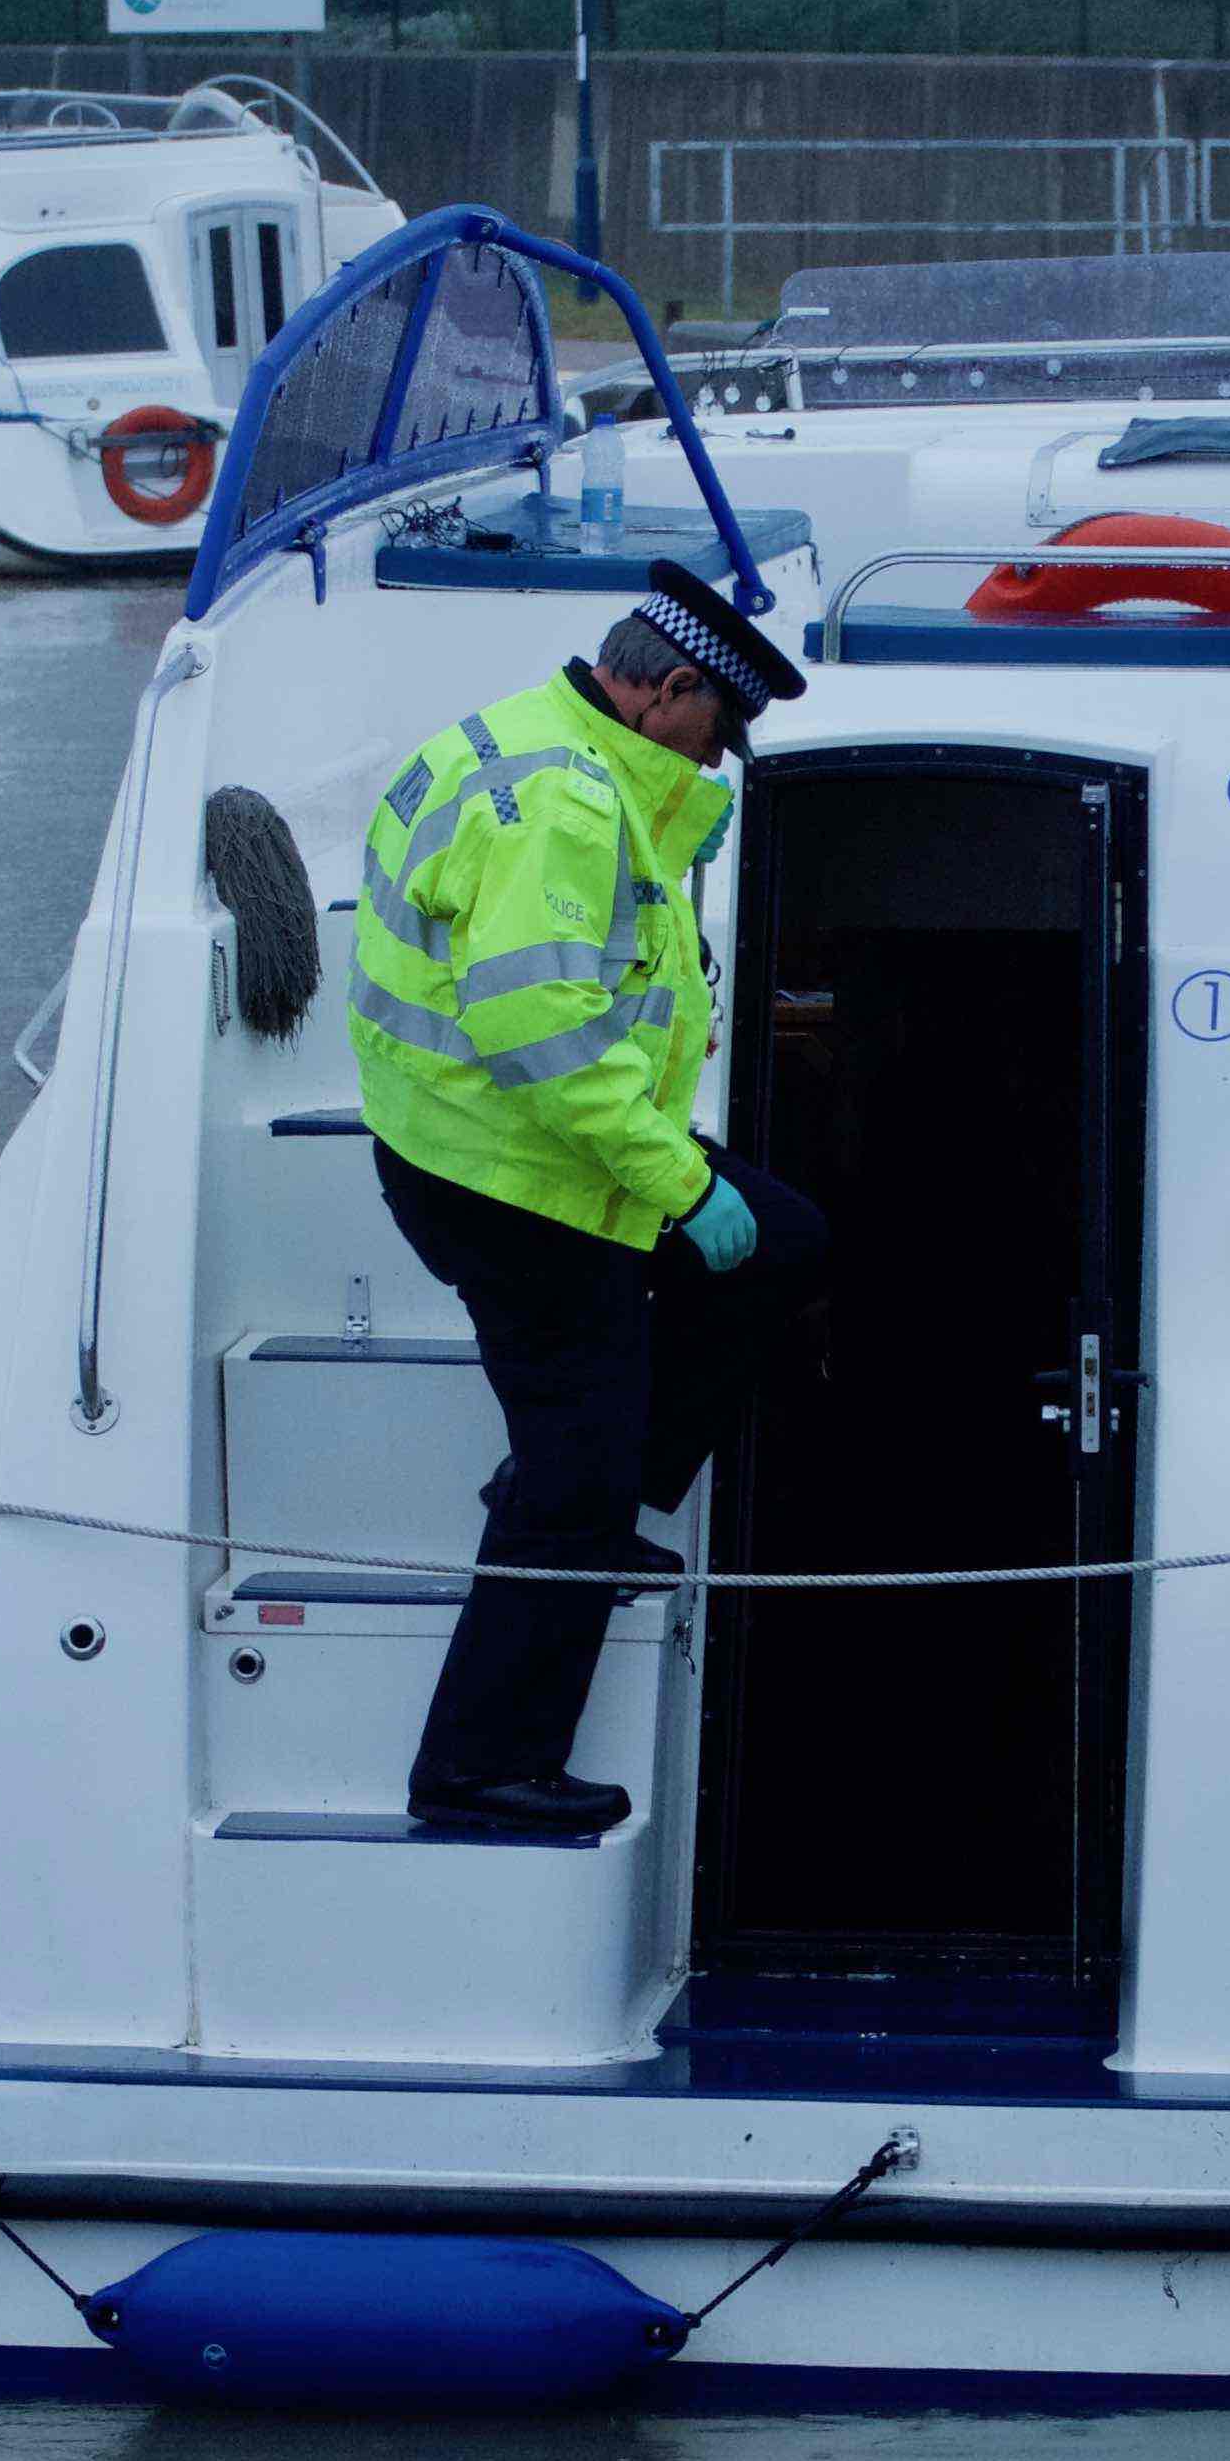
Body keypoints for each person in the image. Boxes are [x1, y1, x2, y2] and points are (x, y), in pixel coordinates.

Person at [350, 559, 825, 1839]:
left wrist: (669, 829)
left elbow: (561, 926)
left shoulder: (529, 740)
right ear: (669, 690)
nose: (719, 762)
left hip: (476, 1145)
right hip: (519, 1182)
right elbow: (543, 1023)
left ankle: (600, 1502)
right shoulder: (563, 798)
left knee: (783, 1242)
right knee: (575, 1470)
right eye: (718, 732)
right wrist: (678, 1188)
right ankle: (478, 1768)